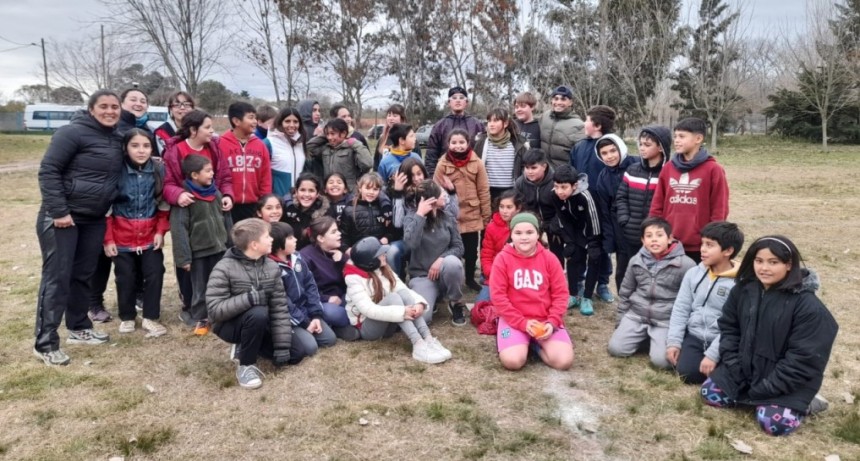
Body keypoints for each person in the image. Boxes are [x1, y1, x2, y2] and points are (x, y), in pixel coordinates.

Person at [702, 235, 838, 436]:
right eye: (759, 261)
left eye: (773, 262)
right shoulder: (742, 290)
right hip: (745, 372)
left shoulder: (808, 307)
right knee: (709, 394)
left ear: (789, 264)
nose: (764, 268)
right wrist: (735, 368)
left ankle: (808, 402)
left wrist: (766, 388)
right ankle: (755, 396)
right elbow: (729, 329)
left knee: (773, 425)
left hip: (785, 381)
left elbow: (804, 359)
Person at [33, 90, 124, 366]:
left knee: (83, 275)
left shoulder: (118, 138)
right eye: (104, 106)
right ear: (91, 109)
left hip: (94, 218)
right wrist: (59, 211)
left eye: (114, 107)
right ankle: (46, 342)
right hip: (63, 218)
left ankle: (78, 326)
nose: (110, 111)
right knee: (57, 278)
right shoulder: (71, 133)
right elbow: (49, 170)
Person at [207, 218, 304, 390]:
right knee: (257, 312)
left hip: (261, 323)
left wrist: (282, 346)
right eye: (267, 236)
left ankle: (251, 344)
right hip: (230, 325)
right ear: (254, 244)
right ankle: (246, 365)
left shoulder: (272, 267)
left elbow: (279, 307)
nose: (272, 239)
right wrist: (249, 299)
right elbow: (215, 310)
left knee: (295, 354)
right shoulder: (223, 268)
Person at [87, 87, 157, 323]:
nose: (138, 103)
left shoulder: (146, 130)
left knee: (137, 260)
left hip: (139, 216)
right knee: (104, 258)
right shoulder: (112, 129)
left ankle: (136, 295)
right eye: (133, 99)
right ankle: (94, 301)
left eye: (143, 100)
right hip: (108, 205)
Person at [162, 109, 234, 325]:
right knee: (195, 278)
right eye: (208, 127)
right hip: (190, 213)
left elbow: (224, 176)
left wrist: (227, 195)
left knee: (218, 277)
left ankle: (219, 311)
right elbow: (167, 184)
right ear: (193, 130)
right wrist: (178, 194)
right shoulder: (174, 151)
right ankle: (194, 310)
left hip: (215, 221)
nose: (213, 132)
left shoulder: (214, 148)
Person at [103, 128, 169, 337]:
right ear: (125, 147)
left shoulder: (159, 170)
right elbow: (107, 208)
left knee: (155, 273)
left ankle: (150, 316)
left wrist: (160, 231)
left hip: (150, 235)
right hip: (121, 236)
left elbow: (163, 204)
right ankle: (127, 316)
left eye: (146, 146)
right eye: (135, 145)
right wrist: (108, 239)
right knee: (125, 277)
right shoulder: (115, 171)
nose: (141, 151)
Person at [344, 237, 452, 364]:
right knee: (394, 297)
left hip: (388, 320)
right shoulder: (353, 278)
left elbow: (401, 287)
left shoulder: (383, 267)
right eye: (380, 253)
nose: (385, 255)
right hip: (368, 328)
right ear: (370, 261)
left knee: (401, 293)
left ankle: (428, 338)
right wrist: (401, 312)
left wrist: (419, 303)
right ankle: (418, 343)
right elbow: (368, 310)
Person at [607, 217, 695, 369]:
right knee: (616, 349)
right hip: (637, 314)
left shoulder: (686, 264)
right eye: (649, 236)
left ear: (670, 238)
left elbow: (689, 302)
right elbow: (626, 292)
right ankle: (644, 337)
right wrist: (620, 322)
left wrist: (679, 333)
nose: (654, 240)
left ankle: (654, 340)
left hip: (665, 319)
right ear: (642, 240)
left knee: (662, 362)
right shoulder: (636, 260)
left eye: (659, 235)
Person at [491, 212, 573, 371]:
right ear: (511, 234)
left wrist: (553, 321)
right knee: (513, 362)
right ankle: (521, 343)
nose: (524, 237)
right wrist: (522, 323)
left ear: (538, 234)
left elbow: (561, 295)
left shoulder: (550, 259)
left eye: (529, 232)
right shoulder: (502, 259)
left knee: (564, 362)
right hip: (514, 320)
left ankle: (535, 346)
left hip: (544, 319)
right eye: (518, 233)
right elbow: (499, 298)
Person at [666, 221, 744, 384]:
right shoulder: (693, 273)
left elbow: (736, 325)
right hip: (695, 335)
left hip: (723, 339)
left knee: (730, 375)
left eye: (710, 245)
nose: (702, 249)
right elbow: (681, 308)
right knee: (687, 374)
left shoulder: (741, 283)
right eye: (702, 243)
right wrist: (674, 342)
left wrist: (714, 353)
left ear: (728, 251)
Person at [169, 154, 234, 336]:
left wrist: (231, 244)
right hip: (199, 252)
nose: (212, 173)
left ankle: (222, 315)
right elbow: (179, 229)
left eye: (212, 169)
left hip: (220, 248)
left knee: (222, 284)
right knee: (201, 287)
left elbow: (226, 219)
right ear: (194, 175)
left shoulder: (216, 193)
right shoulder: (185, 198)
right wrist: (183, 257)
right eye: (208, 171)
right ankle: (201, 318)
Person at [649, 117, 729, 263]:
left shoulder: (713, 169)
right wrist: (657, 233)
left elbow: (719, 209)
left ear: (698, 138)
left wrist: (710, 240)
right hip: (669, 243)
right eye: (675, 136)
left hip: (699, 247)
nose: (676, 140)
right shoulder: (668, 168)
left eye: (682, 136)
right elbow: (657, 205)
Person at [571, 106, 619, 302]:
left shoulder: (609, 147)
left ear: (597, 125)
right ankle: (580, 281)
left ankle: (602, 283)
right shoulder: (579, 147)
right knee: (581, 244)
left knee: (601, 246)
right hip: (581, 206)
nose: (584, 123)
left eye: (587, 120)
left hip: (601, 207)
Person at [433, 129, 490, 292]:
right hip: (451, 215)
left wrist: (486, 216)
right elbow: (435, 189)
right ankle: (452, 278)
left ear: (468, 143)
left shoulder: (477, 162)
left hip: (472, 214)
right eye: (454, 142)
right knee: (452, 249)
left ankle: (470, 278)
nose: (458, 146)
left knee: (471, 251)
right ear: (448, 144)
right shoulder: (442, 164)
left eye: (461, 142)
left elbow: (484, 190)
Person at [403, 180, 467, 325]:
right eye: (440, 193)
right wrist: (420, 215)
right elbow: (411, 244)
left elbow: (458, 247)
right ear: (431, 199)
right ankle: (434, 299)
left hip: (444, 271)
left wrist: (441, 260)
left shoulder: (447, 217)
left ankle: (455, 301)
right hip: (422, 277)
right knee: (422, 319)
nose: (445, 195)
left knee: (453, 263)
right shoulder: (411, 217)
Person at [269, 222, 337, 356]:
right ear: (277, 243)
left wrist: (315, 315)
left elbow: (310, 285)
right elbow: (282, 301)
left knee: (330, 340)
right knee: (310, 348)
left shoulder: (297, 258)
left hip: (306, 310)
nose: (295, 240)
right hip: (288, 317)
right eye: (290, 238)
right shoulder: (271, 267)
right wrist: (305, 323)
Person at [615, 126, 670, 289]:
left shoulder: (667, 173)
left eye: (647, 144)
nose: (641, 148)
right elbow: (621, 196)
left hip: (655, 236)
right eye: (640, 144)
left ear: (660, 147)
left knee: (649, 274)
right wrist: (625, 219)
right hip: (630, 234)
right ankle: (624, 306)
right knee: (624, 272)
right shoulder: (632, 170)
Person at [299, 216, 359, 341]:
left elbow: (355, 278)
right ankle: (342, 326)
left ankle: (343, 325)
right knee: (330, 312)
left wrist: (343, 260)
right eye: (333, 232)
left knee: (358, 299)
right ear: (320, 238)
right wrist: (326, 298)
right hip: (323, 302)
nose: (339, 234)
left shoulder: (338, 251)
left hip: (343, 297)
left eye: (337, 230)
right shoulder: (305, 257)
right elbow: (304, 289)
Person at [552, 165, 601, 315]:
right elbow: (562, 220)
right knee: (572, 259)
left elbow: (594, 220)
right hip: (575, 233)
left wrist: (594, 243)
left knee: (594, 260)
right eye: (556, 186)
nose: (560, 191)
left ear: (575, 185)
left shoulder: (585, 196)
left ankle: (587, 297)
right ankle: (573, 294)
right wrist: (569, 241)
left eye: (564, 187)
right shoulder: (555, 196)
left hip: (591, 232)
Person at [593, 133, 637, 294]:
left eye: (613, 151)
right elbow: (605, 211)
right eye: (604, 153)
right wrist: (609, 240)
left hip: (642, 223)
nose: (609, 156)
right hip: (620, 229)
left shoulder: (637, 165)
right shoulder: (603, 177)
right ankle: (625, 304)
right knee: (623, 271)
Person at [340, 173, 404, 274]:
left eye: (375, 189)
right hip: (359, 253)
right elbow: (343, 235)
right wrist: (347, 249)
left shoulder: (383, 208)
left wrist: (387, 238)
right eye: (368, 188)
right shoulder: (349, 209)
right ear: (360, 188)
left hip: (380, 251)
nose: (371, 192)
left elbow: (393, 230)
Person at [221, 102, 272, 222]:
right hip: (227, 205)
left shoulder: (260, 145)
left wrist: (264, 201)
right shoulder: (220, 144)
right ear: (236, 121)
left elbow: (265, 177)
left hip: (253, 206)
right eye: (251, 117)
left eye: (255, 117)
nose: (255, 121)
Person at [424, 86, 485, 176]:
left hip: (471, 175)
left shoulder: (477, 125)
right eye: (454, 98)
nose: (458, 100)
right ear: (449, 102)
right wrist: (434, 179)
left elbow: (484, 152)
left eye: (461, 98)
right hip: (446, 175)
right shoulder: (439, 126)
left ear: (466, 102)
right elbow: (431, 155)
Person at [514, 149, 561, 262]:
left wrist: (553, 226)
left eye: (533, 168)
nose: (529, 171)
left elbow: (561, 208)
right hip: (531, 220)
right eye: (526, 168)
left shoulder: (555, 181)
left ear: (544, 166)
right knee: (529, 251)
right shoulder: (520, 183)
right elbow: (519, 207)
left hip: (553, 220)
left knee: (557, 253)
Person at [474, 108, 528, 202]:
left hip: (511, 190)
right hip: (487, 191)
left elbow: (525, 167)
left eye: (495, 120)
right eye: (489, 121)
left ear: (505, 123)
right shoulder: (481, 142)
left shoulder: (519, 143)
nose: (491, 124)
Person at [477, 189, 523, 302]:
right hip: (495, 274)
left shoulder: (525, 226)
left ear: (518, 208)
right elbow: (486, 255)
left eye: (509, 207)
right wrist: (493, 274)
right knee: (480, 308)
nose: (504, 211)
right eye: (501, 206)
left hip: (518, 276)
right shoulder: (492, 227)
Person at [306, 118, 373, 191]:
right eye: (327, 134)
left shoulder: (351, 149)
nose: (329, 137)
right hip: (330, 191)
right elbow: (309, 147)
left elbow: (368, 164)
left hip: (348, 192)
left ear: (343, 133)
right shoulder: (325, 149)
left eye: (332, 133)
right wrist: (323, 136)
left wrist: (355, 143)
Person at [282, 173, 333, 249]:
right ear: (296, 191)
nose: (306, 194)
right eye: (302, 190)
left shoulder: (325, 212)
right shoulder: (287, 206)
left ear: (317, 194)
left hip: (312, 254)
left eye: (311, 191)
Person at [538, 85, 584, 168]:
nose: (559, 102)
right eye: (556, 98)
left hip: (564, 176)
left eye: (563, 99)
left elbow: (581, 156)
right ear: (552, 100)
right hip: (544, 174)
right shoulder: (544, 117)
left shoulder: (578, 125)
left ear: (570, 102)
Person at [268, 107, 307, 197]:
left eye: (295, 122)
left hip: (298, 199)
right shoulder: (269, 143)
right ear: (280, 122)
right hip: (278, 200)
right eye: (287, 121)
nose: (292, 125)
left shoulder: (300, 143)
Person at [374, 104, 420, 170]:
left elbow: (419, 165)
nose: (391, 118)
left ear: (402, 119)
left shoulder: (411, 139)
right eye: (389, 115)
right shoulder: (382, 138)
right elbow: (376, 164)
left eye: (395, 116)